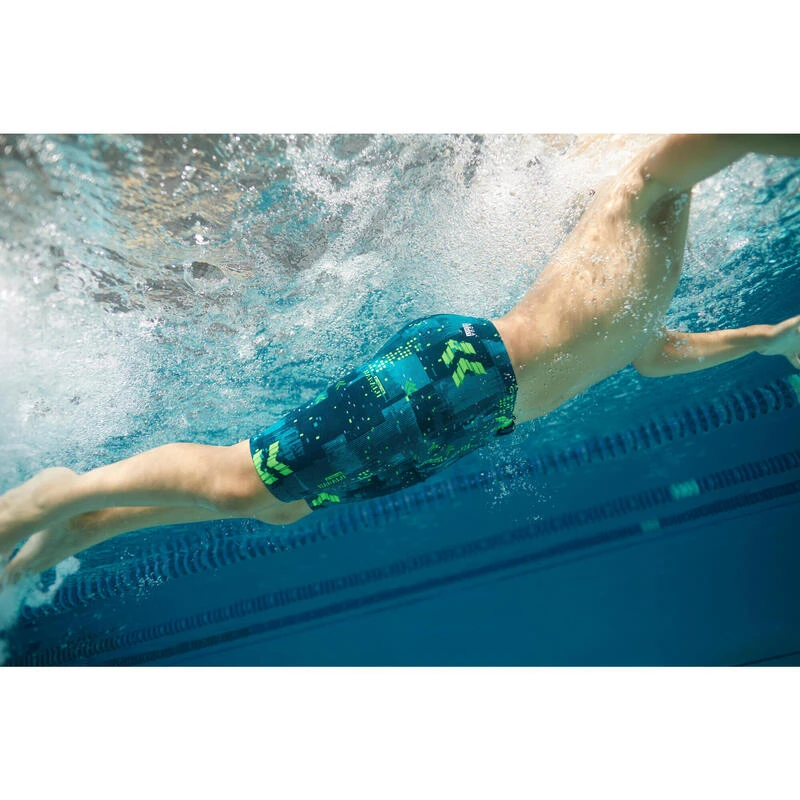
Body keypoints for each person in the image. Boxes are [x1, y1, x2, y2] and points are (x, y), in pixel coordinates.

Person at [1, 134, 799, 586]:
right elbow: (714, 135)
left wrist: (769, 338)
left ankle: (80, 528)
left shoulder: (652, 281)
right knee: (241, 479)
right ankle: (49, 499)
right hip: (460, 373)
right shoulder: (643, 189)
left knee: (276, 504)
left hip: (474, 416)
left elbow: (654, 356)